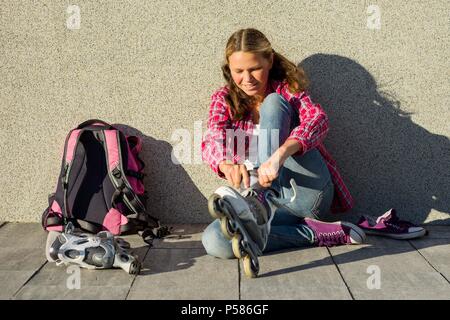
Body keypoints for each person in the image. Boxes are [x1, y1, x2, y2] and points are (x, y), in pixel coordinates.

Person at [200, 28, 365, 278]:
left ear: (270, 61)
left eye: (254, 68)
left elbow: (317, 120)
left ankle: (259, 195)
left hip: (305, 192)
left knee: (273, 103)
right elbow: (212, 138)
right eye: (238, 71)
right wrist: (226, 165)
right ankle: (315, 233)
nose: (247, 79)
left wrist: (281, 154)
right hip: (276, 211)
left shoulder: (286, 89)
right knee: (214, 239)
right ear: (229, 69)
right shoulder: (223, 99)